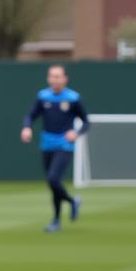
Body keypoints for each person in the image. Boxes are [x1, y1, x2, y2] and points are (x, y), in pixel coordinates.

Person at [20, 64, 90, 232]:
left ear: (65, 79)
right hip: (47, 144)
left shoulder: (73, 98)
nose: (55, 80)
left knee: (53, 178)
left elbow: (86, 122)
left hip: (64, 145)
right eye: (52, 76)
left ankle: (59, 216)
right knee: (53, 184)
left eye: (58, 76)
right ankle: (66, 209)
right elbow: (30, 115)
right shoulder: (43, 97)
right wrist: (27, 127)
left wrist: (77, 132)